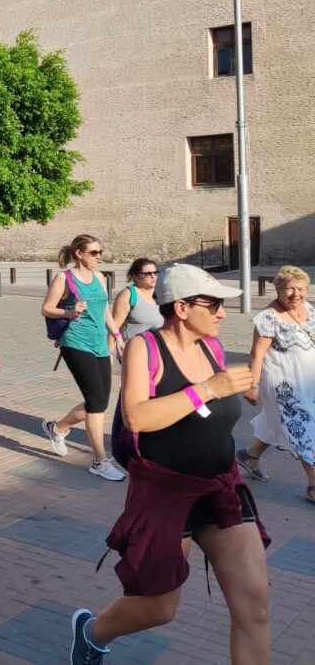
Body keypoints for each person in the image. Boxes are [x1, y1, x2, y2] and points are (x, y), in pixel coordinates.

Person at [70, 264, 266, 665]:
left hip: (221, 490)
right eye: (213, 305)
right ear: (181, 307)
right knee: (159, 609)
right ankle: (92, 634)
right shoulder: (145, 348)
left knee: (255, 606)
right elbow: (138, 417)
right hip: (166, 494)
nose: (222, 313)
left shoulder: (212, 348)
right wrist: (209, 389)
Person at [40, 234, 126, 482]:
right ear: (79, 253)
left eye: (100, 252)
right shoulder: (64, 278)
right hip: (75, 342)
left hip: (100, 344)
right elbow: (46, 308)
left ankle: (57, 428)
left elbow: (105, 310)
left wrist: (117, 335)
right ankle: (99, 461)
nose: (98, 257)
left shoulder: (99, 277)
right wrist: (69, 311)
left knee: (99, 402)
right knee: (96, 401)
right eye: (93, 252)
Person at [236, 265, 315, 501]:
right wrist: (252, 385)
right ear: (278, 289)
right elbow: (256, 354)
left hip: (308, 380)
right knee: (302, 427)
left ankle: (250, 454)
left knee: (278, 423)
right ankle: (313, 485)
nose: (296, 294)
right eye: (289, 289)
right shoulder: (268, 318)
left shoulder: (308, 309)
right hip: (283, 384)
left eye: (301, 289)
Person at [112, 259, 164, 341]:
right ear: (135, 277)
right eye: (147, 274)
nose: (153, 276)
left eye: (155, 273)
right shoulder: (128, 295)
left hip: (158, 347)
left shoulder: (162, 294)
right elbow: (114, 326)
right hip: (133, 347)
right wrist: (110, 348)